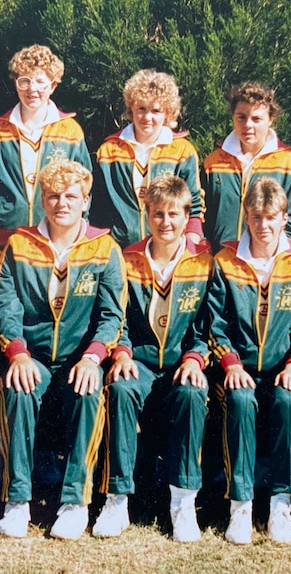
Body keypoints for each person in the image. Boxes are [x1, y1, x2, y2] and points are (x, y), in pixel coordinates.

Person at [0, 159, 126, 540]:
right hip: (31, 356)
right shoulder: (19, 244)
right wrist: (17, 352)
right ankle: (16, 501)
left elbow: (111, 313)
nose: (61, 203)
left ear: (85, 201)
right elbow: (6, 305)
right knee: (17, 386)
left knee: (88, 390)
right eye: (53, 195)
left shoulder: (104, 247)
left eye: (71, 196)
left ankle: (75, 502)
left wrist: (92, 356)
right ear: (42, 200)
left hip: (78, 359)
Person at [94, 176, 211, 542]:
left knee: (192, 393)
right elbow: (117, 314)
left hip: (181, 363)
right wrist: (123, 351)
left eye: (173, 214)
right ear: (147, 215)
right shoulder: (126, 259)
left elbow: (208, 325)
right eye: (158, 214)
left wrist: (194, 357)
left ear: (186, 216)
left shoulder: (203, 263)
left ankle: (183, 501)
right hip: (140, 361)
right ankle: (117, 499)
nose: (165, 222)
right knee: (120, 387)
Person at [208, 177, 291, 545]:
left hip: (285, 368)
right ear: (246, 217)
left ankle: (280, 503)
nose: (263, 225)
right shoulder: (226, 261)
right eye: (256, 216)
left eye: (271, 217)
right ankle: (240, 504)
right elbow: (216, 326)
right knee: (239, 400)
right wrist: (232, 364)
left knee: (288, 400)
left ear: (285, 218)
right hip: (239, 368)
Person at [0, 44, 92, 245]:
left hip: (57, 235)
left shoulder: (70, 131)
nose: (32, 89)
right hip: (7, 233)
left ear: (52, 86)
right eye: (25, 81)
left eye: (40, 82)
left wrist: (80, 231)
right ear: (16, 83)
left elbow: (85, 186)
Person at [91, 69, 204, 248]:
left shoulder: (182, 151)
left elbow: (194, 205)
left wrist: (189, 247)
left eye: (156, 111)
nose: (147, 117)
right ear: (131, 108)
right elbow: (97, 208)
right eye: (141, 109)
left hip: (168, 253)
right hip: (120, 250)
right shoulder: (109, 151)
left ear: (168, 113)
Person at [203, 82, 291, 252]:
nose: (248, 125)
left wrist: (273, 255)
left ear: (270, 119)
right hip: (222, 263)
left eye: (256, 119)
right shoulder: (214, 163)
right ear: (233, 117)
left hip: (270, 265)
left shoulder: (288, 163)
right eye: (241, 117)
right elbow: (202, 215)